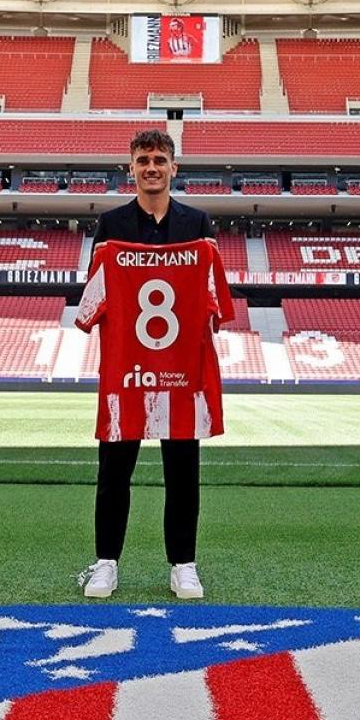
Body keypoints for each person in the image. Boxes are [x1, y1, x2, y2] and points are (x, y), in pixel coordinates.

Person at [79, 129, 217, 600]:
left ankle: (183, 563)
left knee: (183, 471)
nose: (151, 167)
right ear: (131, 168)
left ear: (174, 167)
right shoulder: (111, 225)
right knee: (113, 470)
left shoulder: (198, 223)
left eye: (159, 159)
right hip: (127, 367)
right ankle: (106, 562)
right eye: (143, 160)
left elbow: (210, 295)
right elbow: (94, 292)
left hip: (181, 367)